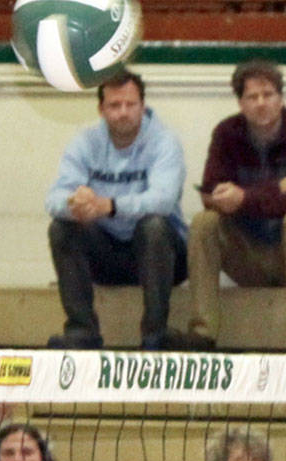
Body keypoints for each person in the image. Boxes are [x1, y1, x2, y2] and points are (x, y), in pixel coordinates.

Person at [185, 59, 286, 352]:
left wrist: (244, 198)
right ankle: (203, 332)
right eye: (252, 97)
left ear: (281, 98)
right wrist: (280, 188)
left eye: (268, 95)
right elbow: (211, 194)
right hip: (247, 255)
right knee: (203, 222)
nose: (261, 103)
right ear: (240, 102)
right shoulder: (226, 133)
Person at [46, 68, 187, 351]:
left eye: (130, 104)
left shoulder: (164, 141)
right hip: (107, 254)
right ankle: (82, 333)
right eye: (114, 105)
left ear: (142, 106)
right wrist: (75, 204)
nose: (123, 112)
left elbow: (163, 200)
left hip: (164, 256)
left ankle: (155, 336)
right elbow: (53, 200)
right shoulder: (84, 142)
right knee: (61, 227)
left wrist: (109, 206)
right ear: (101, 109)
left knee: (155, 226)